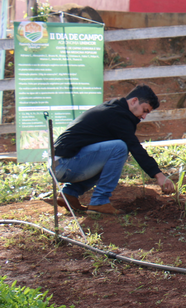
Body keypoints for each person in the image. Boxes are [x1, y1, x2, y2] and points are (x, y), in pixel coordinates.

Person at [52, 85, 176, 215]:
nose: (144, 116)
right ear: (134, 101)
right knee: (120, 147)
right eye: (145, 110)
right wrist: (158, 175)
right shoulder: (119, 116)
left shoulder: (113, 108)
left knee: (110, 154)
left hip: (59, 163)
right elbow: (135, 147)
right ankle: (99, 201)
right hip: (65, 165)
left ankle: (69, 194)